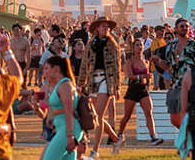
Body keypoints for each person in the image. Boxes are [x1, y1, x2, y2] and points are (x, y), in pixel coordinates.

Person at [77, 18, 123, 155]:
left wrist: (117, 86)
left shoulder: (113, 44)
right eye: (103, 26)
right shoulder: (91, 43)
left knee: (98, 115)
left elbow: (116, 66)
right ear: (97, 28)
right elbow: (85, 64)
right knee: (97, 117)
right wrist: (80, 83)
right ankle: (116, 139)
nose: (106, 29)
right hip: (93, 80)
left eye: (107, 27)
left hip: (106, 80)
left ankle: (95, 150)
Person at [159, 17, 195, 130]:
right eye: (182, 26)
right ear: (176, 29)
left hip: (190, 86)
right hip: (175, 84)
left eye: (186, 26)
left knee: (186, 116)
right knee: (174, 119)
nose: (185, 28)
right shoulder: (171, 46)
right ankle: (189, 136)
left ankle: (188, 141)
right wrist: (159, 62)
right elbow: (168, 66)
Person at [118, 38, 162, 147]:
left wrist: (148, 81)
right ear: (133, 47)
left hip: (143, 89)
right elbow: (128, 75)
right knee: (127, 116)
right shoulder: (130, 61)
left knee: (148, 112)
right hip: (132, 89)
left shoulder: (146, 62)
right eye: (137, 45)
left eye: (141, 45)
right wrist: (141, 76)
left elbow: (147, 78)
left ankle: (153, 137)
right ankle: (119, 133)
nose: (139, 47)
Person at [38, 56, 82, 160]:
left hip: (67, 131)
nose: (44, 72)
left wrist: (70, 135)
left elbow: (69, 111)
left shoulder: (65, 85)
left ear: (56, 69)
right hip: (61, 129)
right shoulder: (58, 85)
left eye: (47, 68)